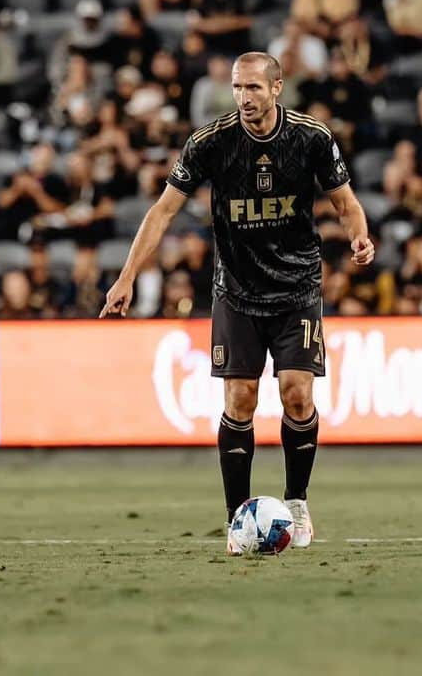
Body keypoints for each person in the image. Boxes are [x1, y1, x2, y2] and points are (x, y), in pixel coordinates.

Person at [100, 52, 374, 552]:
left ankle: (296, 501)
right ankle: (236, 517)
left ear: (277, 88)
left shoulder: (312, 137)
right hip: (238, 292)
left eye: (253, 88)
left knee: (297, 395)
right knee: (240, 401)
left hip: (297, 288)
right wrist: (127, 277)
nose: (244, 98)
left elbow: (345, 202)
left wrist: (359, 236)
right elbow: (162, 212)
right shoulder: (211, 142)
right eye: (237, 88)